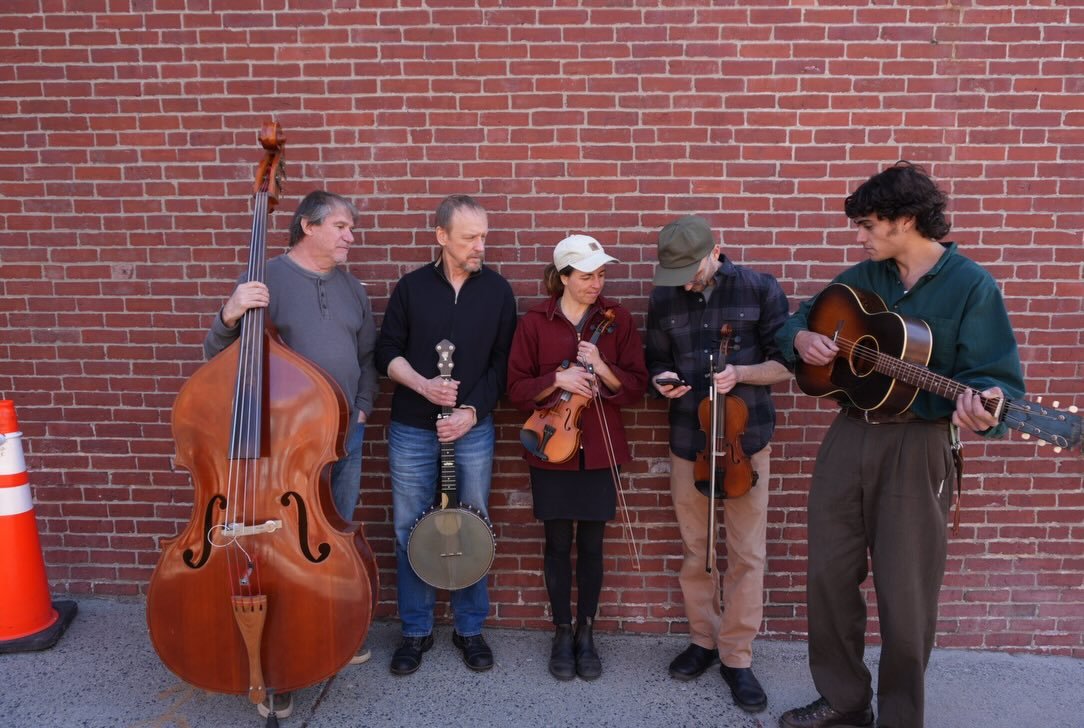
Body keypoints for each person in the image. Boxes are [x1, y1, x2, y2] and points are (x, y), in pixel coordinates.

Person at [775, 162, 1025, 728]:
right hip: (849, 435)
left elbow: (1000, 383)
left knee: (906, 592)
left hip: (920, 446)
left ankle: (900, 717)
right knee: (829, 575)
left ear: (906, 220)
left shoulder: (972, 285)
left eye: (868, 225)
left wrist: (985, 411)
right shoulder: (866, 278)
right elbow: (794, 323)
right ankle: (843, 700)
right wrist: (805, 339)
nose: (860, 238)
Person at [203, 189, 379, 719]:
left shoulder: (353, 289)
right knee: (279, 549)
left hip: (345, 436)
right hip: (284, 450)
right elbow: (218, 358)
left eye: (351, 227)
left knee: (332, 539)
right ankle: (278, 661)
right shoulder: (267, 280)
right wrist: (229, 314)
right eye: (342, 227)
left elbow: (367, 357)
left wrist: (364, 408)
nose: (351, 236)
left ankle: (328, 636)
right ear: (307, 225)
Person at [645, 215, 791, 714]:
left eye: (691, 270)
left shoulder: (759, 289)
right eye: (675, 273)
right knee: (695, 548)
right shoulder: (665, 297)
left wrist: (742, 373)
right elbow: (653, 359)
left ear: (715, 252)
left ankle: (737, 656)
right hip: (689, 439)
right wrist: (662, 378)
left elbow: (786, 364)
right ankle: (703, 642)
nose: (684, 282)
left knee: (746, 553)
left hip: (744, 444)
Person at [375, 194, 517, 676]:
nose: (481, 245)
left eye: (484, 236)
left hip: (473, 430)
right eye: (470, 237)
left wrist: (471, 411)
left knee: (472, 523)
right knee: (409, 526)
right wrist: (424, 386)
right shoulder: (412, 288)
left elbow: (504, 365)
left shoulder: (498, 291)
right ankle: (415, 631)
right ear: (441, 237)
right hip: (413, 428)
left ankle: (469, 627)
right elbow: (385, 352)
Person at [506, 234, 648, 681]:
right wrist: (557, 377)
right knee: (555, 543)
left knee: (591, 545)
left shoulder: (617, 320)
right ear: (563, 277)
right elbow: (515, 390)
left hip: (600, 449)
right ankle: (561, 631)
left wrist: (603, 368)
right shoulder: (534, 323)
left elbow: (638, 388)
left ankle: (587, 632)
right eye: (587, 275)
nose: (596, 283)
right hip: (550, 444)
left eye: (601, 274)